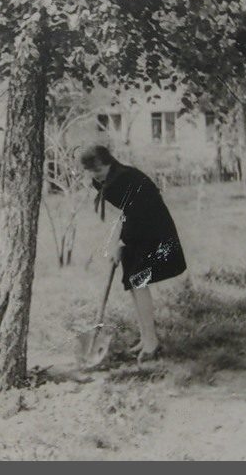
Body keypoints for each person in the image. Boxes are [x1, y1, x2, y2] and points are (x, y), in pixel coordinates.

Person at [80, 145, 187, 363]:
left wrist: (121, 243)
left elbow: (135, 212)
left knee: (139, 280)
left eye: (97, 169)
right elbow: (119, 214)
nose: (94, 175)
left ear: (108, 162)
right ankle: (146, 337)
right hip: (135, 229)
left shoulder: (123, 178)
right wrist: (116, 244)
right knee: (133, 282)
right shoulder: (104, 181)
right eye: (90, 171)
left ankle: (151, 343)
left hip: (153, 230)